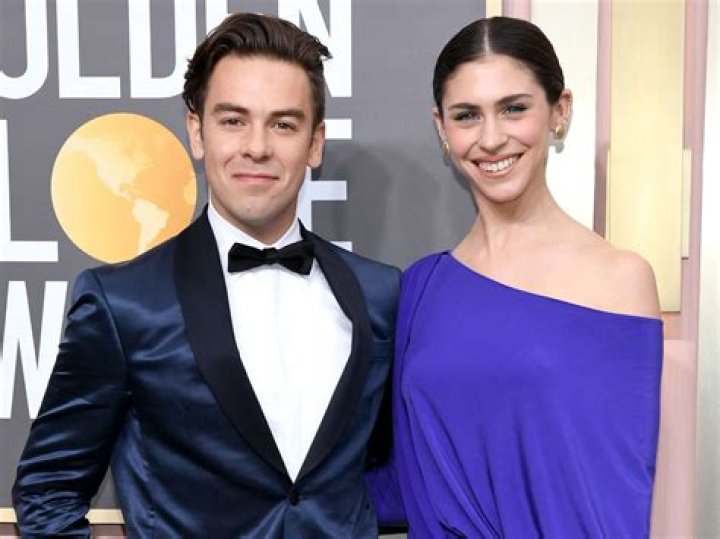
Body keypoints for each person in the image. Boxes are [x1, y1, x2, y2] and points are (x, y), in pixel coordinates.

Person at [13, 13, 399, 538]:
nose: (257, 147)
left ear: (315, 143)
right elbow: (47, 489)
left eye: (284, 124)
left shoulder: (378, 293)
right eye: (233, 120)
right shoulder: (124, 303)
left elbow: (384, 469)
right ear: (197, 132)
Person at [371, 16, 663, 538]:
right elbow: (395, 477)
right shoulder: (420, 287)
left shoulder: (619, 278)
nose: (491, 138)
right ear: (441, 127)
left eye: (513, 108)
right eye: (467, 115)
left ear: (559, 110)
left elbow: (615, 489)